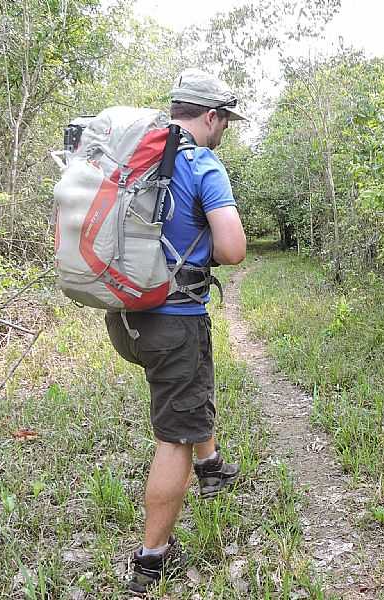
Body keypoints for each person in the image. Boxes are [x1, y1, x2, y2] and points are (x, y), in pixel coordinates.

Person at [103, 68, 248, 595]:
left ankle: (211, 466)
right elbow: (233, 251)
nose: (224, 130)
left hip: (124, 319)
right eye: (224, 121)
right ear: (210, 117)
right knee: (174, 436)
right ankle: (150, 560)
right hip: (175, 323)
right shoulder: (202, 162)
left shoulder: (132, 159)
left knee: (186, 397)